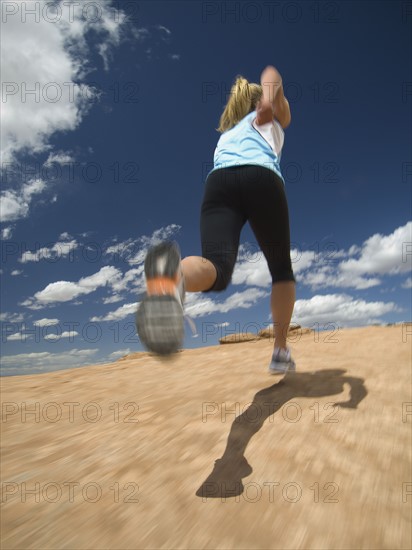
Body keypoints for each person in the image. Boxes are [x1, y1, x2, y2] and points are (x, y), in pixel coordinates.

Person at [136, 65, 296, 374]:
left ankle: (172, 279)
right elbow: (273, 73)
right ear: (258, 101)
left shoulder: (226, 136)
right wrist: (271, 99)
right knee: (281, 270)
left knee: (217, 266)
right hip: (262, 178)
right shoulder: (271, 119)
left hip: (219, 183)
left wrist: (266, 98)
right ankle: (280, 350)